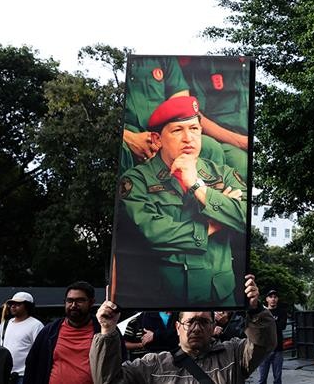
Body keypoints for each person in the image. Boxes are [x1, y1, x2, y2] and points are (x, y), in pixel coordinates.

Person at [114, 95, 247, 306]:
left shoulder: (223, 174)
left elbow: (245, 217)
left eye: (194, 129)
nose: (188, 138)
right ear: (157, 140)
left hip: (220, 300)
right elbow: (153, 234)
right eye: (178, 130)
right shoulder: (136, 180)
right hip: (166, 301)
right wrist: (216, 223)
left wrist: (197, 186)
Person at [89, 274, 276, 384]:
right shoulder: (153, 365)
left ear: (213, 327)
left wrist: (256, 309)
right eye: (190, 322)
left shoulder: (234, 354)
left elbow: (264, 343)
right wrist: (107, 330)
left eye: (203, 322)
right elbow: (108, 380)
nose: (196, 328)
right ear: (178, 327)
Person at [120, 56, 225, 175]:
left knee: (210, 147)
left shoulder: (163, 58)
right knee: (123, 150)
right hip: (127, 133)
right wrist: (128, 137)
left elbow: (182, 107)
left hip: (163, 131)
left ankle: (211, 190)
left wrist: (163, 139)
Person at [24, 281, 124, 384]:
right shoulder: (49, 331)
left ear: (91, 302)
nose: (73, 305)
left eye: (80, 301)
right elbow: (32, 364)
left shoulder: (105, 330)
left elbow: (120, 365)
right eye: (69, 301)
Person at [0, 291, 44, 384]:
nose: (13, 306)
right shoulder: (5, 324)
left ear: (27, 306)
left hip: (24, 375)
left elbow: (40, 351)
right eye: (11, 304)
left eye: (18, 304)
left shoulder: (36, 325)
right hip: (5, 373)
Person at [257, 289, 288, 384]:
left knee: (277, 378)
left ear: (277, 299)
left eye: (275, 297)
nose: (273, 299)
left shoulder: (282, 312)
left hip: (277, 349)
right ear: (267, 299)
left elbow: (282, 326)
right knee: (262, 379)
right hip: (264, 350)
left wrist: (269, 321)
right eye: (271, 297)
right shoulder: (262, 312)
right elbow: (259, 328)